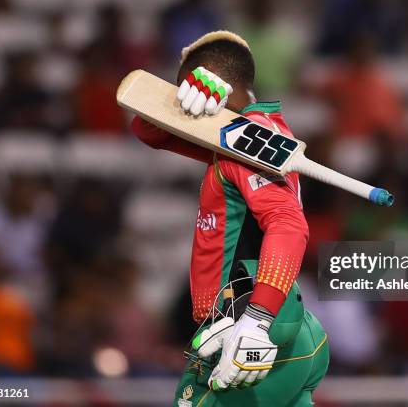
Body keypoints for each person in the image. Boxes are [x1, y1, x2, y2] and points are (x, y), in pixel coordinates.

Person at [131, 31, 329, 406]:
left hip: (248, 324)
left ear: (213, 82)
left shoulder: (248, 139)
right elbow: (147, 131)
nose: (183, 97)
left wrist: (257, 320)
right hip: (289, 326)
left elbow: (289, 225)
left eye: (185, 87)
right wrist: (184, 102)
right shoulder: (245, 132)